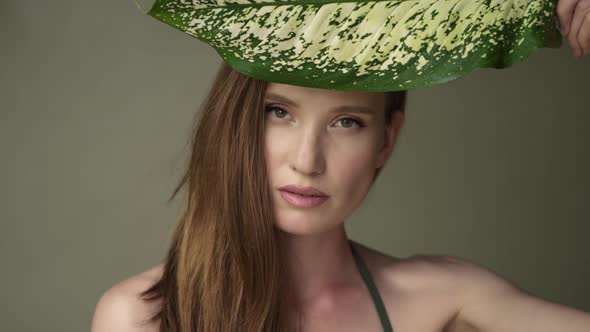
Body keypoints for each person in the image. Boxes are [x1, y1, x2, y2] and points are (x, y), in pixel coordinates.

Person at [92, 1, 590, 331]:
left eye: (347, 122)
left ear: (386, 141)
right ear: (235, 122)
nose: (307, 161)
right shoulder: (142, 317)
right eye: (279, 112)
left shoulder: (443, 298)